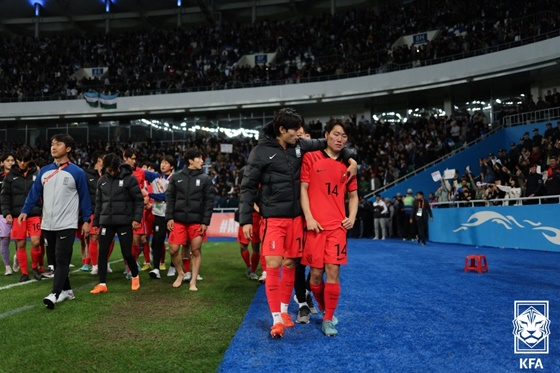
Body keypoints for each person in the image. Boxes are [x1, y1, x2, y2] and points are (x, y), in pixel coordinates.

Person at [239, 108, 357, 338]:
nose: (300, 136)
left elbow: (332, 142)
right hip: (273, 217)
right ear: (282, 130)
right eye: (295, 132)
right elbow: (247, 187)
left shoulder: (300, 146)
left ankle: (285, 311)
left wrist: (352, 158)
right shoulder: (260, 152)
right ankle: (276, 320)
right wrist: (245, 219)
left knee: (291, 265)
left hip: (297, 219)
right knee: (272, 265)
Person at [300, 117, 359, 336]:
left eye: (344, 136)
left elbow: (353, 196)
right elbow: (303, 189)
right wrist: (308, 217)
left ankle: (327, 320)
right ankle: (326, 310)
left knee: (333, 271)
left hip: (337, 228)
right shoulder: (310, 157)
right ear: (326, 135)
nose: (339, 139)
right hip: (314, 227)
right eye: (335, 134)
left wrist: (351, 216)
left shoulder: (348, 165)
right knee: (315, 276)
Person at [19, 134, 92, 309]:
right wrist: (24, 211)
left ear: (68, 149)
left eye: (58, 144)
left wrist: (87, 220)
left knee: (61, 260)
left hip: (67, 224)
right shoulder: (44, 171)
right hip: (48, 224)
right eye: (52, 144)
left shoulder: (77, 172)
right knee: (54, 261)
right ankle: (68, 291)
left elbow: (85, 198)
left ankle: (55, 294)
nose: (53, 147)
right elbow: (34, 193)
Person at [90, 153, 144, 294]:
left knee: (127, 253)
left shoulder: (130, 179)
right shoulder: (102, 181)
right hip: (106, 222)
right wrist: (96, 222)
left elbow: (138, 200)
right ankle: (102, 284)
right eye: (109, 170)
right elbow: (99, 204)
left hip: (124, 222)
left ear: (118, 167)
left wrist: (136, 219)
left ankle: (135, 276)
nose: (112, 172)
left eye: (114, 169)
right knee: (102, 253)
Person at [166, 148, 214, 291]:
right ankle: (180, 273)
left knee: (196, 250)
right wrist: (169, 217)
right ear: (191, 160)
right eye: (199, 158)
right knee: (173, 250)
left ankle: (193, 281)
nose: (202, 161)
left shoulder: (205, 179)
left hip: (197, 221)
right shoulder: (176, 178)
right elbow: (170, 199)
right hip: (178, 220)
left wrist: (205, 222)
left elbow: (209, 202)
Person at [1, 146, 42, 282]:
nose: (22, 163)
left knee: (36, 242)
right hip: (17, 215)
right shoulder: (10, 177)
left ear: (30, 160)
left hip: (34, 212)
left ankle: (35, 267)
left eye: (25, 160)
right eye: (20, 160)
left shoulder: (37, 174)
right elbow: (5, 196)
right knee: (21, 244)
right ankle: (25, 273)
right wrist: (6, 212)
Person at [146, 155, 175, 280]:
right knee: (157, 241)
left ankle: (173, 266)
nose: (163, 165)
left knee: (174, 243)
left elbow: (166, 196)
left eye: (166, 163)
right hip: (158, 215)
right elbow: (141, 172)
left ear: (172, 166)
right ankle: (156, 268)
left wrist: (149, 194)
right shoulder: (156, 177)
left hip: (173, 216)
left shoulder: (175, 179)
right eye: (162, 162)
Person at [0, 152, 15, 275]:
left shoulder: (19, 176)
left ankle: (17, 259)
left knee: (19, 239)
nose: (10, 162)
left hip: (18, 212)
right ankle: (7, 266)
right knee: (5, 238)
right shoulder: (0, 177)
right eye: (7, 160)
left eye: (12, 160)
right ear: (2, 162)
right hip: (2, 213)